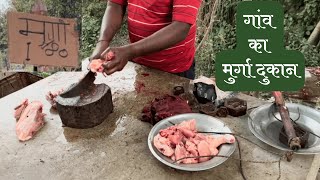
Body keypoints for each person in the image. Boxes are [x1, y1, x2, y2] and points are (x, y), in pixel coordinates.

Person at [89, 0, 202, 80]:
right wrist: (103, 41)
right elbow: (114, 5)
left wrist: (129, 51)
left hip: (174, 69)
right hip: (140, 63)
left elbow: (180, 28)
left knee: (173, 110)